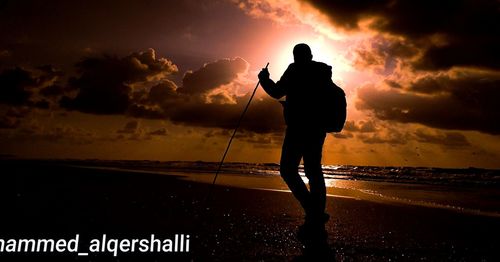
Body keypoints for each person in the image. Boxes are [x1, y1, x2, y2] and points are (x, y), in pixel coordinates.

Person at [258, 43, 332, 237]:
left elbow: (276, 92)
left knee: (288, 170)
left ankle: (313, 211)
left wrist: (264, 79)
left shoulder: (294, 69)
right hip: (317, 128)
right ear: (311, 54)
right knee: (313, 170)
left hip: (298, 128)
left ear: (296, 56)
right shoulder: (323, 72)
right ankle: (315, 212)